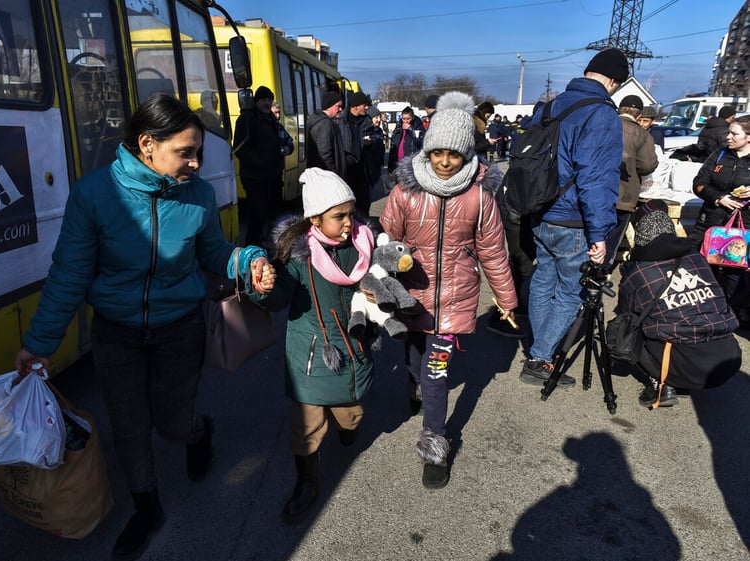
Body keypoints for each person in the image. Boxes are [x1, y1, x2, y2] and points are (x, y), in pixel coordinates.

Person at [13, 93, 276, 561]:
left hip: (179, 329)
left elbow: (214, 253)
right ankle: (147, 507)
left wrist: (249, 258)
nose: (196, 163)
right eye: (186, 152)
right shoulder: (94, 194)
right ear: (147, 144)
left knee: (173, 423)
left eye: (198, 152)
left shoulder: (198, 195)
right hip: (116, 333)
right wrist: (39, 345)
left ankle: (198, 432)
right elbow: (69, 274)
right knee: (130, 428)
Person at [381, 91, 518, 489]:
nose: (444, 162)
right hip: (411, 296)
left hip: (456, 300)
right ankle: (414, 382)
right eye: (438, 152)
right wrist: (378, 282)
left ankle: (434, 441)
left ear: (466, 155)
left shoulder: (479, 197)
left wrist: (507, 300)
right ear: (427, 150)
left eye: (453, 155)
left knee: (436, 372)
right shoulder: (404, 193)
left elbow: (493, 251)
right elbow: (385, 243)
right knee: (412, 357)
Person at [265, 168, 376, 523]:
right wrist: (261, 286)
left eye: (350, 212)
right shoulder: (297, 256)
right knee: (306, 427)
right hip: (311, 355)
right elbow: (278, 299)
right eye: (338, 216)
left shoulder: (364, 245)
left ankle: (348, 427)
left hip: (353, 347)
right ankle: (307, 482)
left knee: (350, 415)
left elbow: (383, 281)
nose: (349, 222)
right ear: (314, 219)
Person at [521, 48, 628, 387]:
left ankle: (538, 349)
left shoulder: (550, 106)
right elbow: (596, 179)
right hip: (573, 220)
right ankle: (539, 358)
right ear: (612, 81)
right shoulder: (601, 114)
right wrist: (600, 233)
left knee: (542, 281)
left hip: (539, 211)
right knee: (570, 292)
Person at [617, 208, 741, 407]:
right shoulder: (697, 258)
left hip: (682, 363)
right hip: (728, 358)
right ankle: (678, 374)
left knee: (629, 326)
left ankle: (660, 383)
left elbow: (625, 312)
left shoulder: (638, 272)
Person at [689, 114, 750, 317]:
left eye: (734, 134)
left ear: (748, 137)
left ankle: (727, 313)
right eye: (728, 133)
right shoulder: (720, 154)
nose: (728, 138)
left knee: (734, 272)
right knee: (701, 266)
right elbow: (699, 183)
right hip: (710, 223)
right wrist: (718, 198)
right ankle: (699, 311)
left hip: (742, 227)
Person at [603, 94, 658, 269]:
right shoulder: (642, 135)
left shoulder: (603, 125)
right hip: (623, 196)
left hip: (595, 191)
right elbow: (647, 166)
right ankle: (601, 271)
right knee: (612, 238)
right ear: (639, 116)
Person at [234, 85, 288, 246]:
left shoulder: (270, 118)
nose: (267, 102)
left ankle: (265, 242)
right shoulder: (247, 119)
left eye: (269, 99)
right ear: (256, 101)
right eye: (263, 99)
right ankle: (252, 246)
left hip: (271, 176)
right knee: (256, 214)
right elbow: (240, 148)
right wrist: (260, 163)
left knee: (269, 213)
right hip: (254, 176)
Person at [339, 91, 374, 216]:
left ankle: (363, 232)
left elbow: (375, 142)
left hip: (363, 171)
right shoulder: (341, 121)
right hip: (347, 171)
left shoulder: (367, 122)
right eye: (364, 105)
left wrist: (371, 143)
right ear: (355, 106)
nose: (367, 108)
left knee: (364, 205)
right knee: (347, 205)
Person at [306, 91, 345, 177]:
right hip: (327, 177)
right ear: (329, 106)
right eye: (338, 106)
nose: (340, 109)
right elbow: (325, 154)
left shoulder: (323, 122)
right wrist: (334, 174)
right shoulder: (325, 124)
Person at [387, 106, 425, 173]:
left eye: (408, 119)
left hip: (410, 164)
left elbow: (421, 143)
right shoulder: (399, 127)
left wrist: (410, 129)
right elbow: (394, 146)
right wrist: (390, 166)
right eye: (404, 119)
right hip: (398, 163)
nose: (405, 121)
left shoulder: (418, 127)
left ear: (412, 118)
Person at [362, 105, 386, 201]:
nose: (378, 119)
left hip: (376, 166)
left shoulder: (379, 131)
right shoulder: (365, 131)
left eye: (379, 117)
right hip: (367, 167)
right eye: (376, 117)